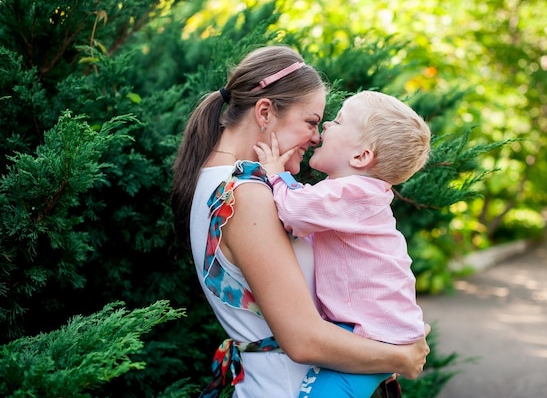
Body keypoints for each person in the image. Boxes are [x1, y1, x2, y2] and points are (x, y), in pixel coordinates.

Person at [171, 46, 430, 398]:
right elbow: (304, 340)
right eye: (311, 122)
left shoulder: (224, 182)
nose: (318, 135)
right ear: (265, 112)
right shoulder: (244, 195)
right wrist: (402, 357)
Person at [253, 90, 431, 398]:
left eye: (337, 121)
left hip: (373, 336)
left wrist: (274, 174)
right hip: (377, 331)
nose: (325, 127)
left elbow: (295, 211)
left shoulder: (355, 192)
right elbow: (304, 211)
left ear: (361, 157)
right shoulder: (355, 196)